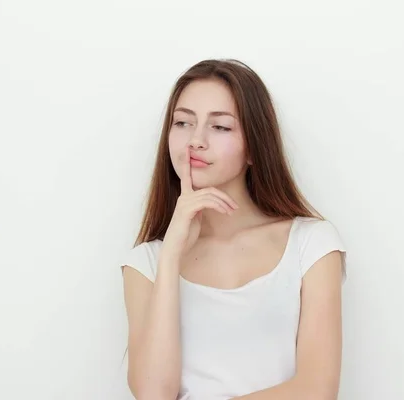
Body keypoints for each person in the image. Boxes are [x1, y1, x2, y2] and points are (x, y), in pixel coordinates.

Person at [119, 59, 347, 400]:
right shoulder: (146, 264)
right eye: (182, 122)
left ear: (254, 147)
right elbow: (153, 394)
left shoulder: (311, 244)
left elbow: (317, 390)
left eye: (220, 127)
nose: (195, 141)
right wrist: (170, 256)